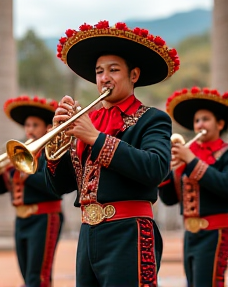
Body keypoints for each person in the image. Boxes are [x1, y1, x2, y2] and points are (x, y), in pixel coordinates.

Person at [44, 20, 180, 286]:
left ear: (134, 75)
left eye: (113, 70)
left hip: (129, 232)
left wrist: (94, 138)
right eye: (99, 71)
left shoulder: (152, 119)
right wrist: (54, 145)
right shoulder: (89, 121)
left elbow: (155, 168)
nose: (104, 78)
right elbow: (57, 187)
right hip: (88, 235)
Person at [0, 95, 63, 287]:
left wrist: (24, 172)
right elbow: (1, 190)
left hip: (45, 217)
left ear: (47, 128)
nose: (29, 130)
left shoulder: (51, 151)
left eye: (34, 125)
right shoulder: (20, 152)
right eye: (27, 125)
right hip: (22, 219)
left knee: (37, 277)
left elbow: (55, 188)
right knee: (26, 275)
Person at [159, 86, 228, 287]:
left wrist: (191, 161)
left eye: (205, 119)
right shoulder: (188, 155)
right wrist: (164, 171)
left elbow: (224, 186)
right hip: (190, 234)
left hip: (216, 232)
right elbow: (170, 199)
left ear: (220, 124)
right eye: (197, 121)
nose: (199, 125)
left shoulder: (224, 154)